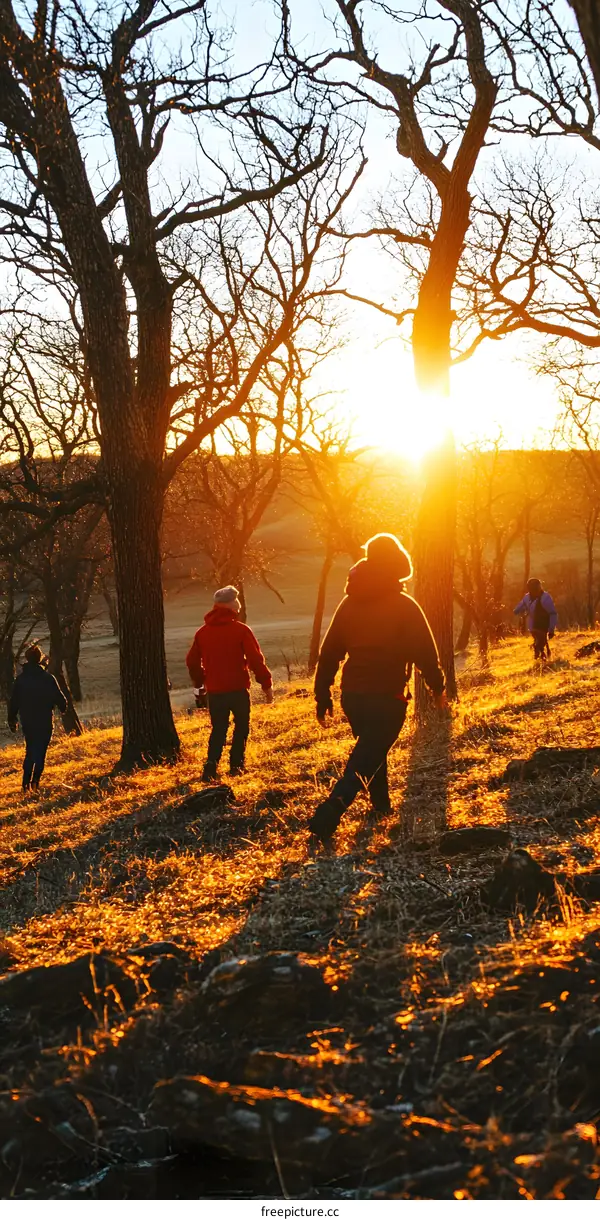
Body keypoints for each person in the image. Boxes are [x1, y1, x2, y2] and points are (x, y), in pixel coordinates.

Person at [309, 533, 446, 844]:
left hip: (353, 695)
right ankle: (333, 808)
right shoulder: (404, 605)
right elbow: (426, 652)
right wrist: (438, 687)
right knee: (367, 754)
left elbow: (329, 653)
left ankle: (381, 806)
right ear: (399, 564)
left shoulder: (348, 603)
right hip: (388, 695)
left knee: (372, 749)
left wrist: (323, 695)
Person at [186, 585, 273, 781]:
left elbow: (192, 661)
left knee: (218, 728)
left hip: (215, 690)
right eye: (236, 602)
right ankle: (236, 765)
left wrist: (200, 683)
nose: (239, 605)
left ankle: (211, 765)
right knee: (241, 726)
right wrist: (266, 685)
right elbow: (255, 660)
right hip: (238, 689)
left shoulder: (202, 633)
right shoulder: (241, 630)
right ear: (231, 605)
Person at [8, 644, 68, 792]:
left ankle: (25, 783)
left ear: (27, 659)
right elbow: (61, 699)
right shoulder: (48, 678)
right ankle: (35, 782)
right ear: (40, 659)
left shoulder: (20, 680)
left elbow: (13, 701)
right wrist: (62, 708)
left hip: (28, 721)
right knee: (40, 752)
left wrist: (12, 719)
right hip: (45, 721)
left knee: (30, 750)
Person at [513, 578, 558, 661]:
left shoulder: (545, 598)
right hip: (533, 626)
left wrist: (551, 629)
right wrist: (517, 611)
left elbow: (553, 614)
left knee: (539, 644)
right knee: (539, 643)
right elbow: (518, 608)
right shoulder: (528, 597)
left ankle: (538, 660)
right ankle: (541, 659)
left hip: (543, 625)